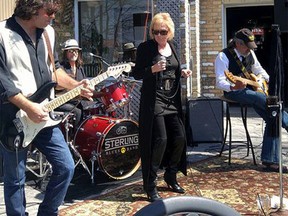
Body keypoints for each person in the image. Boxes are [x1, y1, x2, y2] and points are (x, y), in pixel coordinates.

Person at [0, 1, 94, 215]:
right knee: (16, 180)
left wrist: (77, 86)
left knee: (66, 167)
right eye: (49, 12)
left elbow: (55, 72)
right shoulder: (2, 33)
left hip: (44, 115)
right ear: (32, 9)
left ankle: (48, 212)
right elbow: (1, 80)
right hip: (13, 117)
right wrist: (28, 106)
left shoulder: (48, 33)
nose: (53, 17)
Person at [133, 12, 192, 202]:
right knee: (160, 140)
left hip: (172, 100)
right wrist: (152, 69)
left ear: (169, 32)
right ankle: (150, 184)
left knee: (180, 137)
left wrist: (182, 72)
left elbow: (175, 68)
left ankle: (171, 175)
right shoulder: (146, 48)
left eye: (163, 32)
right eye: (155, 32)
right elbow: (136, 74)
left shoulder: (173, 47)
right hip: (155, 100)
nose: (159, 35)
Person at [214, 28, 288, 172]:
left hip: (252, 89)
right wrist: (233, 86)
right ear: (238, 44)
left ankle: (270, 161)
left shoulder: (250, 53)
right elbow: (219, 82)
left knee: (273, 117)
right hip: (233, 92)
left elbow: (259, 70)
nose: (249, 50)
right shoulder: (222, 56)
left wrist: (268, 81)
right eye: (247, 47)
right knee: (262, 99)